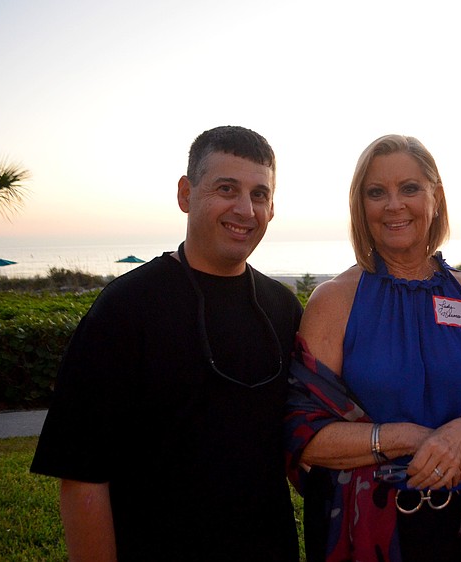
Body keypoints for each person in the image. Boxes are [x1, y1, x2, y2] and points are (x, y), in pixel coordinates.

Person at [31, 126, 302, 561]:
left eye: (260, 194)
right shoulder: (125, 308)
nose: (245, 209)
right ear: (185, 194)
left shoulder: (282, 309)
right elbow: (82, 476)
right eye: (226, 188)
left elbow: (299, 444)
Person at [284, 134, 461, 562]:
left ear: (435, 196)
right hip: (363, 533)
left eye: (409, 188)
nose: (394, 205)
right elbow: (304, 436)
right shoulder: (333, 301)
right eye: (377, 192)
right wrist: (408, 438)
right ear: (361, 205)